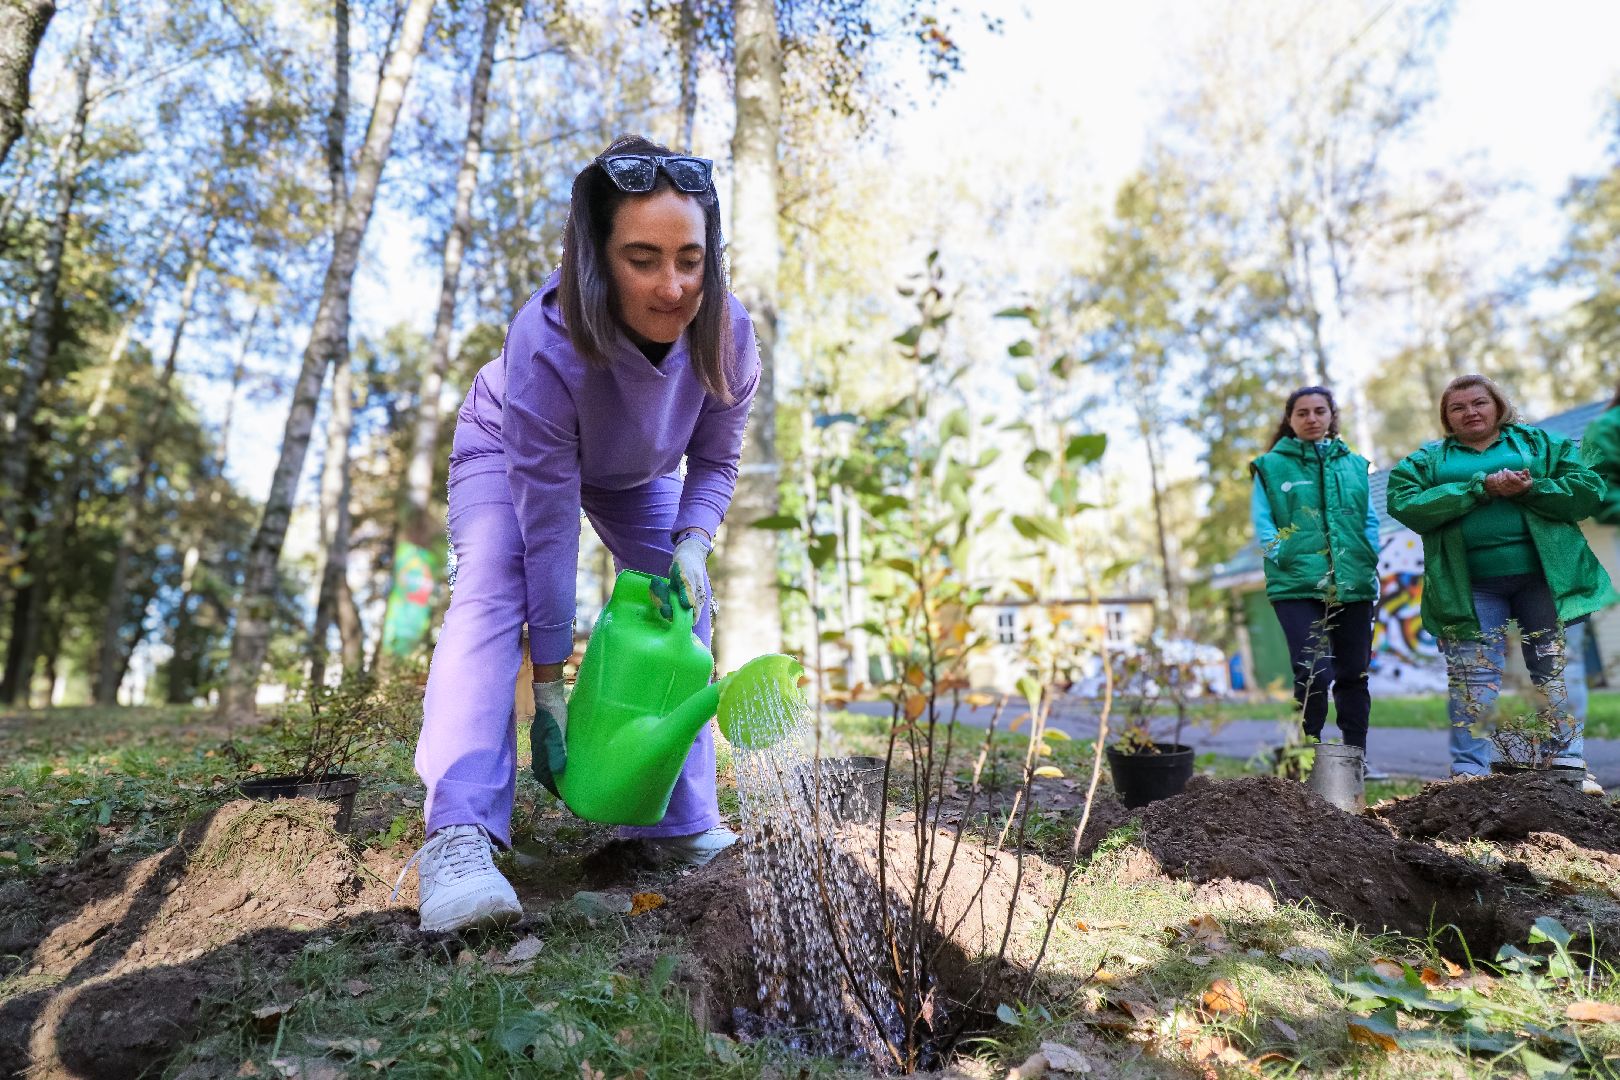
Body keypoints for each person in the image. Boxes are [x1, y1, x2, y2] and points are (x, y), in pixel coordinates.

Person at [401, 135, 762, 933]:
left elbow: (715, 458)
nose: (672, 286)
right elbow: (547, 525)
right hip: (513, 448)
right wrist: (552, 686)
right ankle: (458, 835)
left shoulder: (730, 334)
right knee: (495, 583)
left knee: (679, 606)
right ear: (599, 259)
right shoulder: (546, 344)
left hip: (634, 473)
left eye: (690, 259)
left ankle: (672, 823)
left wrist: (693, 541)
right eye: (642, 259)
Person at [1387, 374, 1614, 790]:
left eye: (1479, 403)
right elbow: (1403, 501)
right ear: (1446, 417)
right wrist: (1478, 488)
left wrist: (1531, 488)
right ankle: (1470, 773)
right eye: (1458, 407)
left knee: (1556, 670)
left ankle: (1568, 762)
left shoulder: (1541, 444)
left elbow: (1587, 490)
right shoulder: (1429, 460)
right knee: (1473, 678)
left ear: (1498, 405)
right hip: (1470, 584)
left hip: (1547, 580)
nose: (1470, 412)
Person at [1250, 386, 1384, 773]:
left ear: (1331, 416)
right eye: (1302, 412)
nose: (1311, 418)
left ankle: (1355, 758)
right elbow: (1263, 523)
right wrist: (1284, 554)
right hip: (1295, 584)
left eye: (1319, 411)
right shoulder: (1270, 467)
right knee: (1312, 671)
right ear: (1289, 420)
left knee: (1353, 674)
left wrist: (1367, 553)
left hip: (1353, 581)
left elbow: (1368, 519)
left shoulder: (1355, 464)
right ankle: (1306, 756)